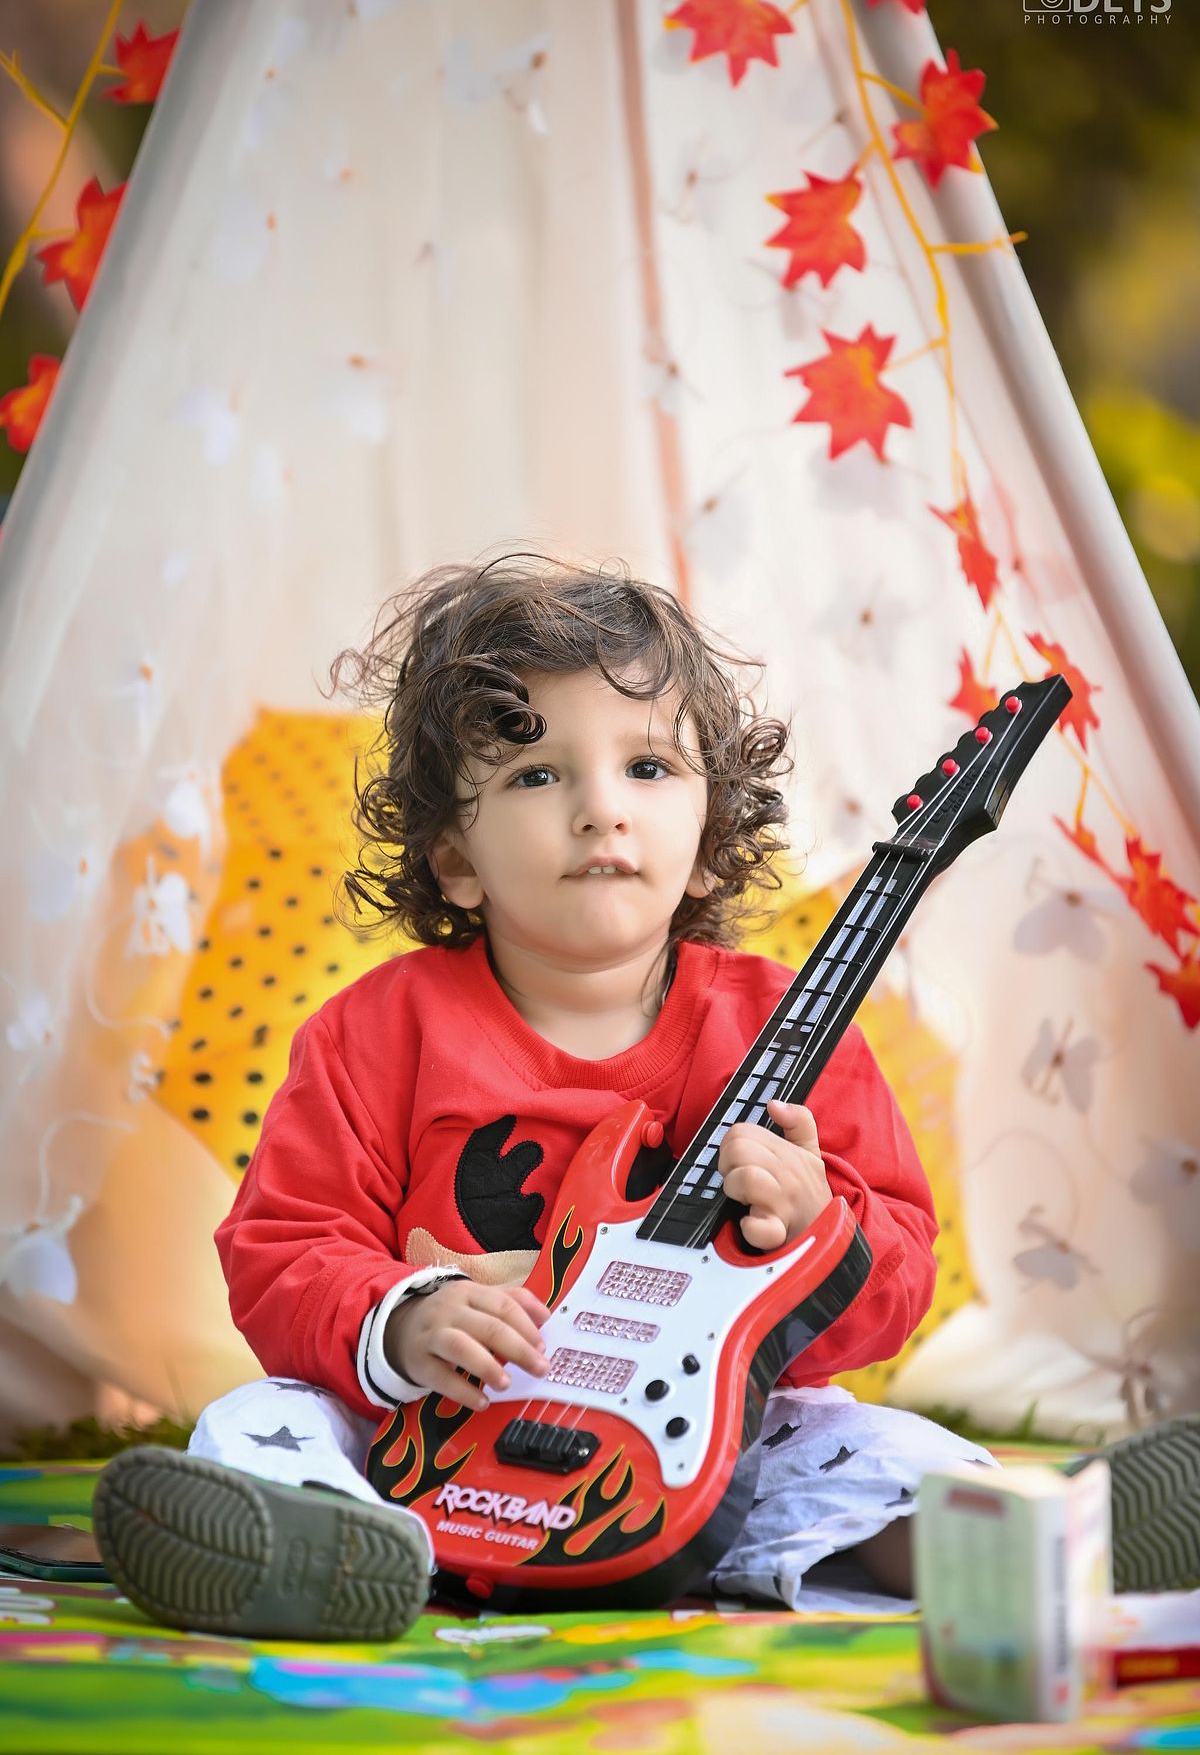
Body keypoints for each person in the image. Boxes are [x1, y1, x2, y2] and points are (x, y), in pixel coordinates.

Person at [93, 551, 1198, 1640]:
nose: (598, 810)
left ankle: (1024, 1547)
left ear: (712, 846)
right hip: (442, 1434)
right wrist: (402, 1317)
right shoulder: (375, 1032)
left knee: (874, 1452)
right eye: (535, 773)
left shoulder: (791, 1035)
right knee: (266, 1420)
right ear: (453, 858)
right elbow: (280, 1246)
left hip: (705, 1439)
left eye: (649, 769)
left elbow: (895, 1281)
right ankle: (319, 1554)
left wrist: (819, 1227)